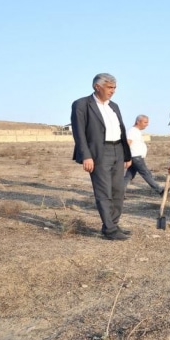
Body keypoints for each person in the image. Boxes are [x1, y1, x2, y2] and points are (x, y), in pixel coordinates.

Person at [71, 73, 132, 241]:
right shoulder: (81, 104)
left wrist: (126, 155)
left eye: (115, 88)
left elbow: (121, 130)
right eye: (110, 87)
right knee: (104, 191)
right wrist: (86, 156)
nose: (113, 91)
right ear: (97, 87)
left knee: (118, 190)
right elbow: (79, 133)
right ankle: (110, 230)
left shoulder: (115, 106)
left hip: (118, 151)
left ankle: (113, 224)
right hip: (99, 153)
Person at [123, 115, 165, 195]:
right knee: (146, 173)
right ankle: (160, 190)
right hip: (135, 157)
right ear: (138, 122)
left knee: (128, 176)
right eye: (145, 122)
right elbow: (127, 144)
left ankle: (119, 193)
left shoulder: (136, 131)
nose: (147, 124)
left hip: (136, 157)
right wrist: (127, 158)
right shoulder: (132, 131)